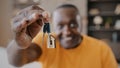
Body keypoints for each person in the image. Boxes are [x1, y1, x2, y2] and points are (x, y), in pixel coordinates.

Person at [7, 4, 118, 68]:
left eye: (73, 24)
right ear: (54, 25)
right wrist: (19, 43)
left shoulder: (101, 48)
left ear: (82, 23)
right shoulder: (47, 40)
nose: (67, 31)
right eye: (60, 25)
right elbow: (15, 61)